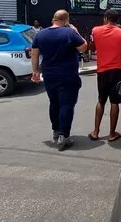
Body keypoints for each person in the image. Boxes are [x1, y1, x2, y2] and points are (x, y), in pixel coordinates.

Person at [31, 10, 88, 151]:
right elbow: (83, 48)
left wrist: (35, 71)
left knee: (54, 103)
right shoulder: (69, 33)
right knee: (66, 104)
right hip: (68, 75)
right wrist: (76, 31)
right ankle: (64, 135)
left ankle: (56, 131)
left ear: (53, 19)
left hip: (49, 75)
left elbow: (34, 54)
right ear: (66, 20)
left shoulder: (40, 34)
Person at [88, 9, 121, 142]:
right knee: (115, 102)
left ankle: (95, 132)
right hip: (117, 70)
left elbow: (92, 47)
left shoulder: (95, 31)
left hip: (102, 71)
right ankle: (112, 133)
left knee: (101, 100)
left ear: (106, 18)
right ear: (117, 20)